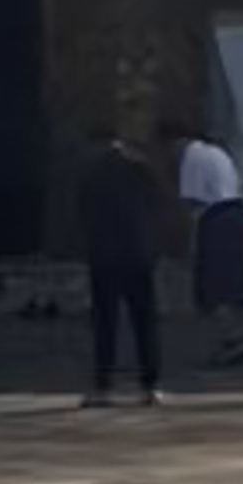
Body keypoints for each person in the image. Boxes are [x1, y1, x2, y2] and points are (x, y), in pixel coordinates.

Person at [78, 127, 166, 404]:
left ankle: (103, 385)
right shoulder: (142, 168)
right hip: (138, 252)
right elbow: (157, 205)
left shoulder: (91, 170)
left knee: (105, 322)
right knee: (145, 320)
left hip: (104, 254)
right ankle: (150, 385)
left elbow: (81, 208)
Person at [177, 122, 243, 370]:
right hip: (238, 214)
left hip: (217, 219)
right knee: (239, 283)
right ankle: (240, 336)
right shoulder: (219, 152)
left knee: (216, 286)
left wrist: (188, 241)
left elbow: (193, 201)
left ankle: (230, 339)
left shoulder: (192, 154)